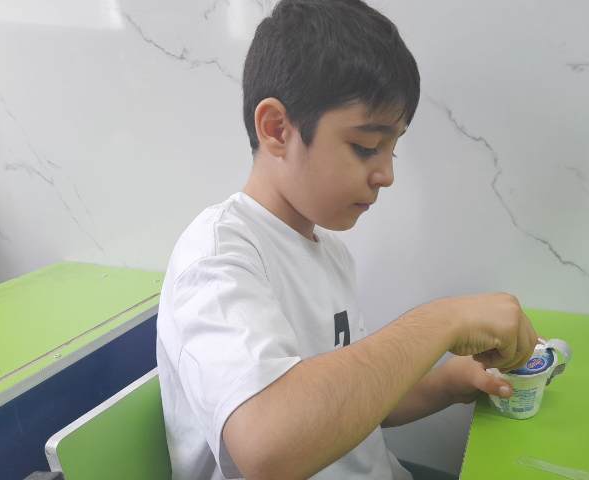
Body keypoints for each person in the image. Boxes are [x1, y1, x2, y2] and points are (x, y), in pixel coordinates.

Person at [155, 0, 539, 479]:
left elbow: (355, 402)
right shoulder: (217, 259)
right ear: (276, 129)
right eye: (366, 146)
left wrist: (447, 383)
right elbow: (267, 450)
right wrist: (442, 321)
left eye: (392, 148)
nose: (386, 174)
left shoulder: (330, 253)